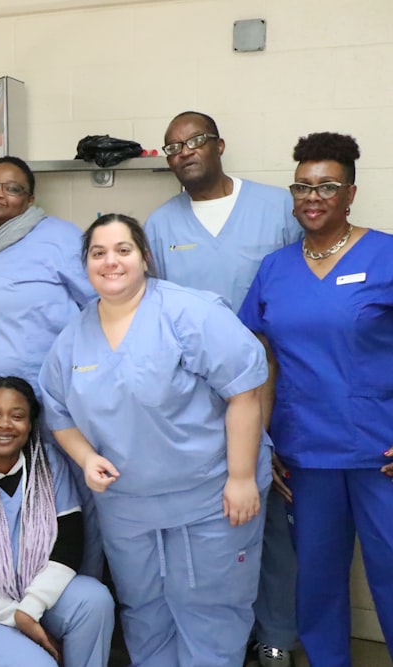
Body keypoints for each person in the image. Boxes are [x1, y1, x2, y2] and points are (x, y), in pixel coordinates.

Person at [40, 214, 273, 666]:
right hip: (127, 507)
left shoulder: (189, 313)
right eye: (98, 253)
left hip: (210, 497)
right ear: (85, 264)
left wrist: (242, 477)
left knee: (210, 611)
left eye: (123, 250)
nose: (111, 262)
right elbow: (58, 413)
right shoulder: (73, 338)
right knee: (145, 612)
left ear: (144, 258)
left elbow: (244, 392)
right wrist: (86, 458)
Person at [145, 110, 302, 665]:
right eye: (172, 147)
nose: (184, 152)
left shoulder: (277, 208)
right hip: (196, 408)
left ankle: (277, 634)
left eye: (195, 141)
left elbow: (298, 292)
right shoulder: (161, 226)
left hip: (273, 390)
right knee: (214, 524)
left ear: (219, 145)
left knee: (272, 514)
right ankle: (217, 642)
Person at [238, 132, 393, 666]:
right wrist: (260, 441)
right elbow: (265, 362)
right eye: (302, 187)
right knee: (319, 584)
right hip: (305, 455)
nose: (312, 197)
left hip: (381, 455)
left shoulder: (387, 255)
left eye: (327, 186)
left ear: (351, 193)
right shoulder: (275, 269)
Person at [0, 156, 102, 578]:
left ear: (30, 200)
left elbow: (102, 308)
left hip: (49, 409)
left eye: (12, 188)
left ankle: (73, 604)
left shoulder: (59, 238)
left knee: (64, 513)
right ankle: (9, 605)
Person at [0, 376, 114, 667]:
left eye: (17, 416)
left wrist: (30, 608)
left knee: (94, 600)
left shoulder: (48, 462)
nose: (5, 424)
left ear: (30, 425)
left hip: (36, 594)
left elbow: (69, 541)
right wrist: (17, 618)